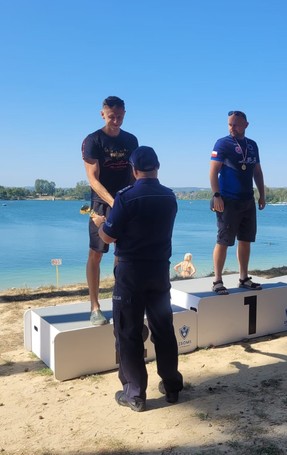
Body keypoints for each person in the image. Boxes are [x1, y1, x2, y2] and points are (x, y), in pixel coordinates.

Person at [92, 146, 183, 412]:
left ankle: (135, 394)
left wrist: (100, 222)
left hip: (131, 273)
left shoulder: (126, 197)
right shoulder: (169, 197)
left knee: (128, 332)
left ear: (133, 170)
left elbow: (108, 236)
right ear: (158, 166)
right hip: (159, 271)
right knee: (163, 329)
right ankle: (172, 386)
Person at [81, 96, 138, 325]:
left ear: (125, 113)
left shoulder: (131, 140)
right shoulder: (92, 140)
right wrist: (114, 203)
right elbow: (92, 179)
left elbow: (136, 174)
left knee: (121, 254)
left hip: (126, 201)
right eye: (112, 116)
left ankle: (119, 298)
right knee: (96, 253)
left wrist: (135, 199)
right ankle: (95, 307)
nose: (116, 121)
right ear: (102, 114)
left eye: (120, 116)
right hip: (101, 204)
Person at [210, 110, 266, 295]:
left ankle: (243, 277)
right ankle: (217, 280)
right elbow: (213, 172)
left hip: (247, 199)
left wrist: (262, 194)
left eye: (235, 124)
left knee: (245, 240)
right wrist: (216, 195)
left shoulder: (252, 145)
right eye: (229, 124)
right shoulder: (222, 143)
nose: (232, 128)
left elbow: (257, 171)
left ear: (246, 125)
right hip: (228, 200)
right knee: (223, 240)